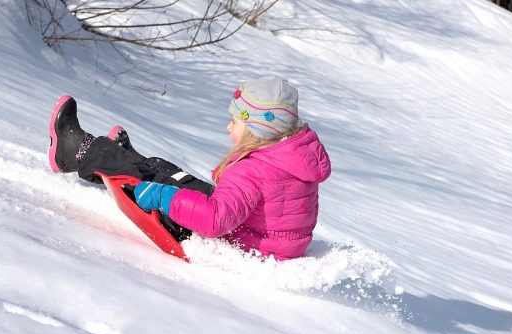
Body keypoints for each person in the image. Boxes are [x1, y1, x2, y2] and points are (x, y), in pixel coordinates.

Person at [48, 76, 331, 260]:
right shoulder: (291, 157)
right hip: (255, 239)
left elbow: (214, 220)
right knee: (166, 171)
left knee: (159, 185)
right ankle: (133, 160)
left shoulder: (251, 171)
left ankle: (76, 152)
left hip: (234, 245)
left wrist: (164, 198)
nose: (227, 127)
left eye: (234, 122)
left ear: (257, 129)